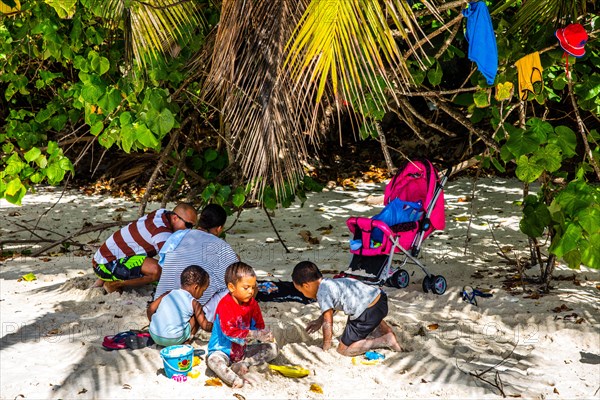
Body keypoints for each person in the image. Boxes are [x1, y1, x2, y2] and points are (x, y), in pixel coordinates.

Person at [292, 261, 402, 356]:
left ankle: (384, 340)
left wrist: (325, 346)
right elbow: (333, 307)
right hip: (380, 300)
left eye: (301, 291)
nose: (303, 293)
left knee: (344, 350)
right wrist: (318, 321)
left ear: (306, 286)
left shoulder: (322, 293)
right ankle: (387, 333)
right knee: (367, 312)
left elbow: (328, 321)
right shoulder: (331, 283)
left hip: (367, 310)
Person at [154, 204, 238, 321]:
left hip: (159, 307)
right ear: (219, 228)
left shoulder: (178, 236)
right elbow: (239, 275)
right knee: (234, 286)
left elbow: (164, 263)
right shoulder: (222, 247)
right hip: (193, 314)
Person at [92, 203, 197, 292]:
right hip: (105, 264)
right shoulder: (161, 232)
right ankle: (115, 284)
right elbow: (173, 263)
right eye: (188, 225)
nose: (190, 229)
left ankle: (105, 278)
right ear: (174, 218)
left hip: (104, 258)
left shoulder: (162, 213)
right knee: (156, 270)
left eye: (192, 226)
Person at [207, 262, 277, 388]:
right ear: (231, 287)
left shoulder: (253, 304)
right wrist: (253, 334)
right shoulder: (225, 305)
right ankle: (233, 378)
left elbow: (259, 326)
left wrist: (264, 334)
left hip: (243, 351)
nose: (251, 291)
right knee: (213, 361)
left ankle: (245, 364)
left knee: (273, 349)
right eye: (246, 288)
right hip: (222, 350)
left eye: (253, 287)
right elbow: (229, 332)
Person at [147, 265, 213, 346]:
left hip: (155, 335)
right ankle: (187, 341)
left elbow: (151, 308)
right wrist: (217, 326)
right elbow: (205, 326)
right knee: (197, 316)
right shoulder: (194, 303)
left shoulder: (169, 293)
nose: (202, 294)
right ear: (196, 288)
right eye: (203, 290)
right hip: (174, 339)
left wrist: (153, 322)